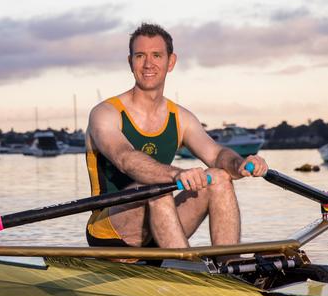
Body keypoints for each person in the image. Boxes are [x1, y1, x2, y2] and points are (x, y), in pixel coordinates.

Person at [85, 23, 268, 249]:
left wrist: (241, 164)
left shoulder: (181, 117)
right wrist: (177, 174)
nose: (148, 63)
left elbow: (217, 154)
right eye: (140, 55)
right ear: (130, 62)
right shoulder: (105, 113)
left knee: (220, 177)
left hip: (161, 226)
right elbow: (125, 158)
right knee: (159, 187)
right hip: (110, 233)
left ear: (170, 62)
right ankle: (182, 269)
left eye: (157, 55)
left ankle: (229, 268)